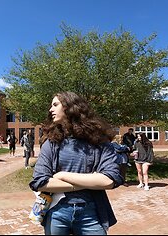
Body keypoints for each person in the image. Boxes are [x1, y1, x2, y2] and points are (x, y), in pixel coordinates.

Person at [29, 91, 123, 235]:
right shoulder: (52, 142)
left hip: (90, 212)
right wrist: (91, 180)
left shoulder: (100, 142)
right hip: (56, 211)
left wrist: (61, 175)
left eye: (55, 105)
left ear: (69, 107)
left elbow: (109, 180)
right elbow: (40, 182)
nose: (50, 109)